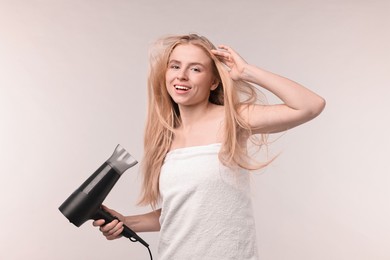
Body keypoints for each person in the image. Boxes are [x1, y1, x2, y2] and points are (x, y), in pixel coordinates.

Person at [93, 33, 325, 259]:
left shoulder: (233, 119)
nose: (182, 75)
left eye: (195, 69)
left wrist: (246, 71)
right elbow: (182, 212)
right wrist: (126, 222)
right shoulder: (165, 137)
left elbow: (310, 105)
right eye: (175, 66)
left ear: (213, 81)